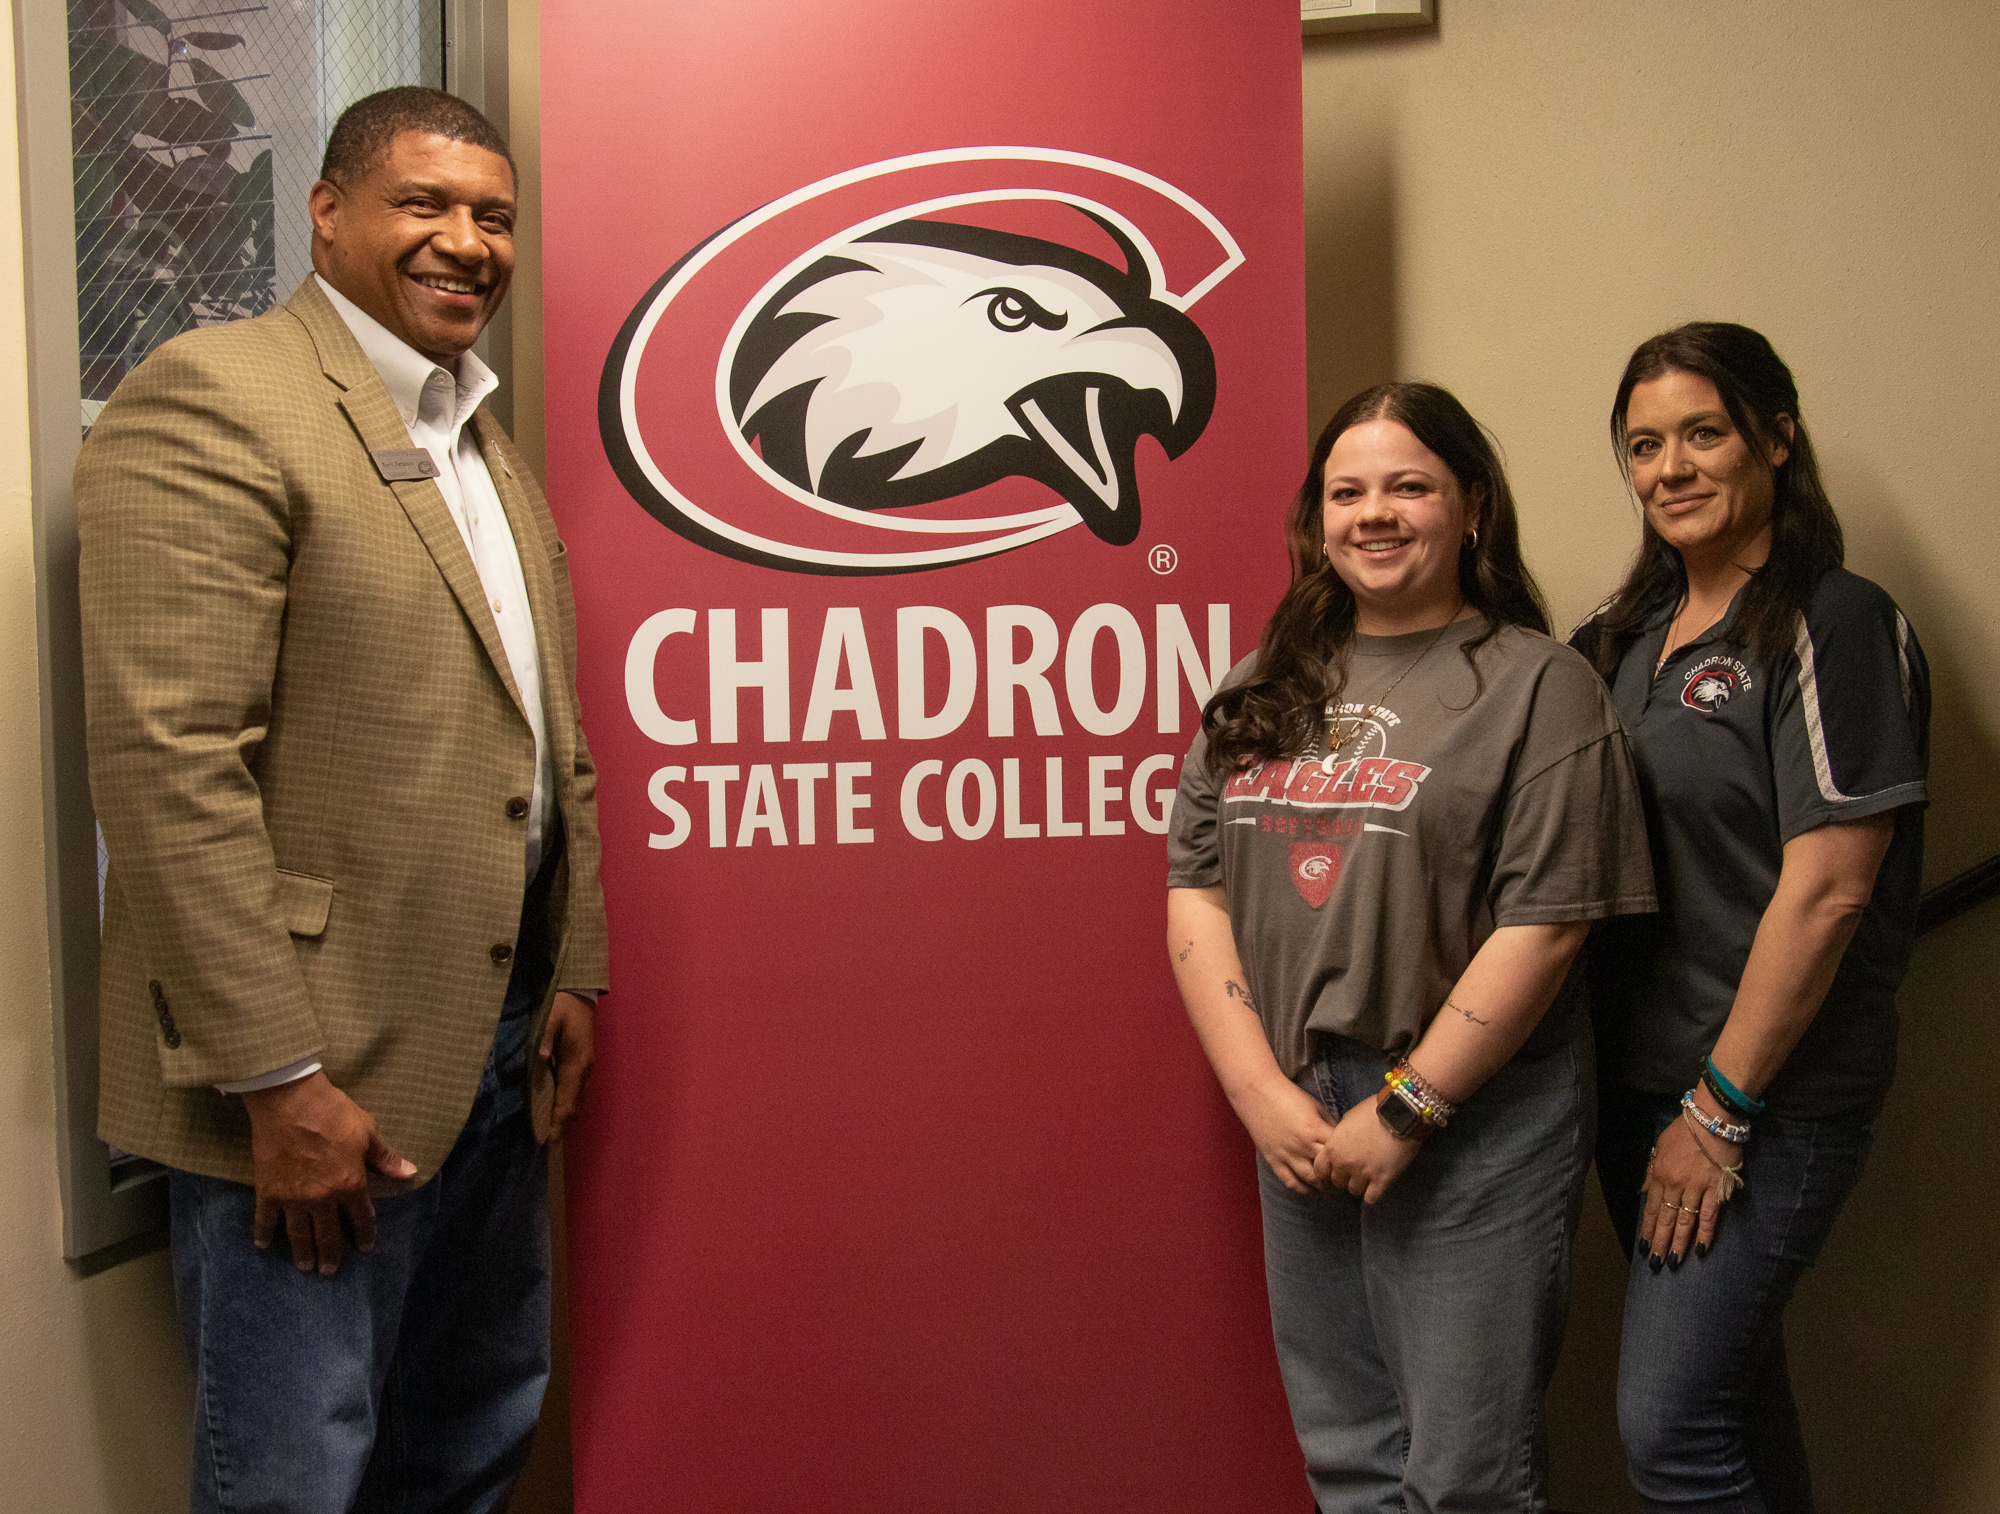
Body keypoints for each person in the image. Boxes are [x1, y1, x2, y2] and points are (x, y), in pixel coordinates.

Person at [76, 87, 608, 1513]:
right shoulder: (217, 393)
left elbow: (548, 740)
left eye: (492, 215)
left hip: (497, 1059)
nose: (466, 242)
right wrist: (276, 1081)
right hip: (318, 1087)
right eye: (423, 204)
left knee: (472, 1445)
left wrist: (575, 966)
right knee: (298, 1478)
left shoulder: (479, 435)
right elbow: (168, 768)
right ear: (326, 212)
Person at [1167, 382, 1655, 1512]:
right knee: (1347, 1460)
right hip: (1297, 1109)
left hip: (1470, 1119)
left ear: (1469, 506)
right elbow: (1196, 891)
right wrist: (1258, 1093)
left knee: (1464, 1477)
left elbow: (1549, 921)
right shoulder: (1259, 685)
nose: (1373, 513)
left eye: (1408, 486)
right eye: (1347, 491)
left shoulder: (1542, 685)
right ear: (1316, 517)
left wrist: (1407, 1109)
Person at [1574, 323, 1929, 1513]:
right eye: (1641, 445)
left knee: (1668, 1430)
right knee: (1730, 1410)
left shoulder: (1830, 620)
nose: (1668, 467)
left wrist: (1716, 1113)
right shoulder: (1619, 642)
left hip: (1756, 1103)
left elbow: (1828, 886)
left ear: (1776, 437)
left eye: (1700, 432)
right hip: (1631, 1091)